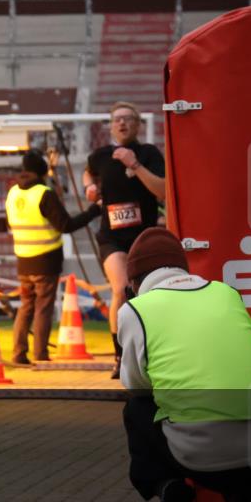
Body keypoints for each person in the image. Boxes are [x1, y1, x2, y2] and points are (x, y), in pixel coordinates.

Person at [119, 228, 251, 502]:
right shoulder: (227, 293)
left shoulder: (136, 310)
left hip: (203, 454)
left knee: (138, 410)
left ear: (134, 281)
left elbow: (135, 384)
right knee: (246, 474)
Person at [83, 101, 165, 377]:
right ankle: (120, 357)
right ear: (110, 125)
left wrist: (136, 165)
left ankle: (150, 352)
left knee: (145, 294)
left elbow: (163, 192)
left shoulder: (149, 153)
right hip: (112, 237)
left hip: (144, 237)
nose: (122, 123)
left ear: (138, 124)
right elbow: (88, 170)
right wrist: (89, 187)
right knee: (120, 288)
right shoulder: (101, 155)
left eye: (128, 118)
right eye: (117, 119)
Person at [6, 149, 101, 365]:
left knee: (26, 307)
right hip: (45, 260)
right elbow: (66, 225)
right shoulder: (43, 193)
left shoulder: (13, 193)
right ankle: (40, 354)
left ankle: (18, 353)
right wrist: (94, 211)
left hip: (23, 259)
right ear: (42, 172)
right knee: (43, 308)